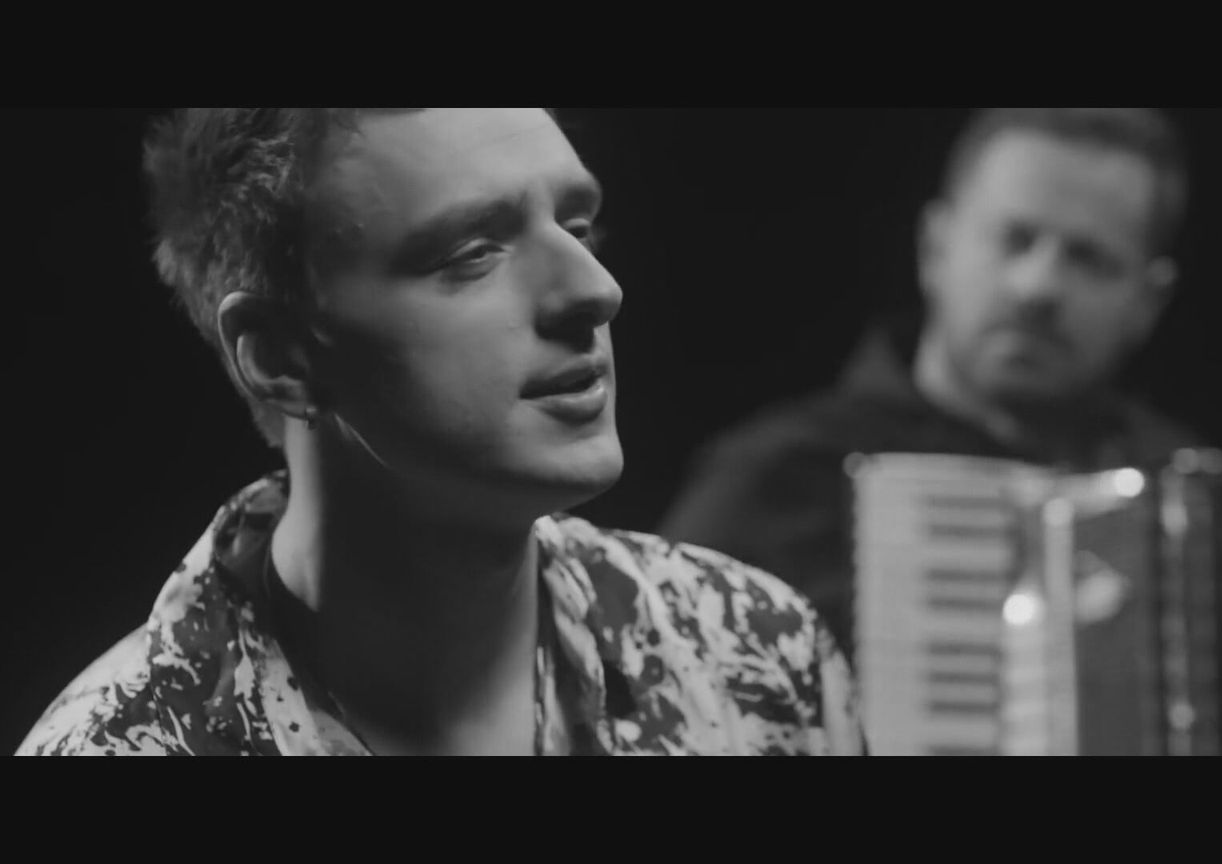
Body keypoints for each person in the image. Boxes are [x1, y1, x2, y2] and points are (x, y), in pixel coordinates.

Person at [660, 107, 1222, 756]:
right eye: (1016, 239)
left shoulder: (1189, 491)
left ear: (1148, 302)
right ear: (935, 246)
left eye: (1089, 258)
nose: (1039, 286)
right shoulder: (778, 480)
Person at [16, 108, 864, 757]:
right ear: (279, 355)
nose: (596, 290)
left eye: (578, 228)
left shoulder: (755, 658)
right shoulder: (123, 748)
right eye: (472, 253)